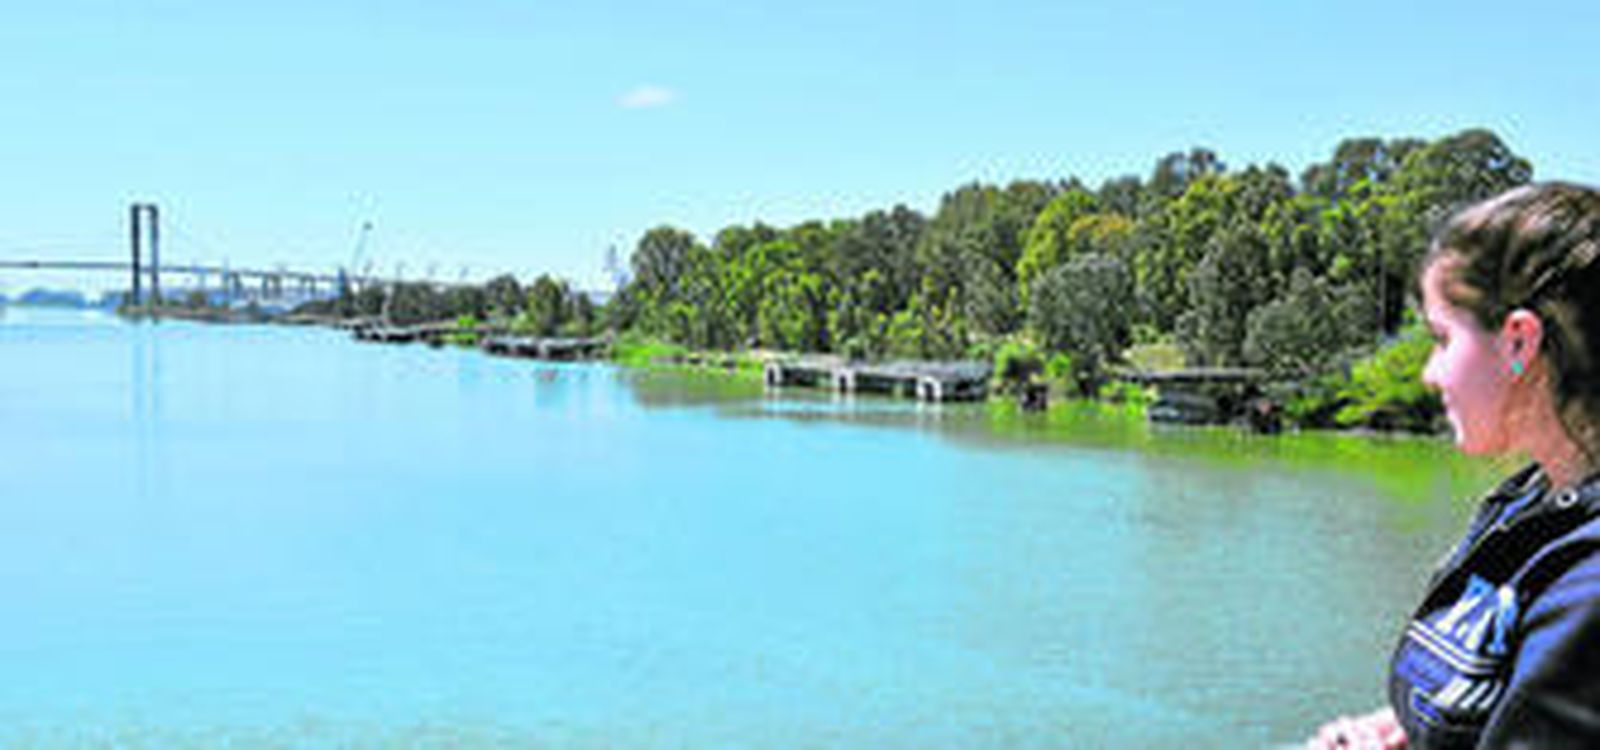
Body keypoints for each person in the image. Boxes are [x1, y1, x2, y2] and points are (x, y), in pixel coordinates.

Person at [1308, 182, 1600, 749]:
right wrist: (1416, 727)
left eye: (1442, 338)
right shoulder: (1528, 502)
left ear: (1518, 341)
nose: (1429, 373)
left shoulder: (1589, 585)